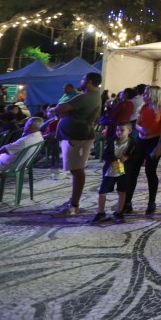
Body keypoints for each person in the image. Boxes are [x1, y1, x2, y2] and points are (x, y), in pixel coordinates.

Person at [49, 72, 103, 217]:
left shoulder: (85, 97)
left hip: (78, 137)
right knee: (76, 170)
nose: (81, 80)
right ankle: (74, 201)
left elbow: (60, 109)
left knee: (77, 170)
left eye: (83, 78)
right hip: (77, 135)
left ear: (90, 81)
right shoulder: (92, 95)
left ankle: (74, 205)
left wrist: (61, 109)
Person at [0, 117, 44, 196]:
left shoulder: (25, 140)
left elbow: (1, 150)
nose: (24, 126)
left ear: (29, 127)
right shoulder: (39, 136)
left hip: (6, 165)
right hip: (19, 164)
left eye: (26, 124)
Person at [91, 122, 137, 224]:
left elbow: (136, 156)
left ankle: (119, 212)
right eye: (117, 130)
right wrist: (113, 160)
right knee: (102, 192)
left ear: (129, 131)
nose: (119, 132)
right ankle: (100, 212)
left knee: (122, 191)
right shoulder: (112, 141)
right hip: (110, 170)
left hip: (124, 171)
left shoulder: (132, 143)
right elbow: (105, 155)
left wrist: (128, 158)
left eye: (122, 130)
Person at [135, 85, 161, 215]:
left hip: (154, 141)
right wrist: (141, 129)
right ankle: (127, 202)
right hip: (141, 141)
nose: (144, 95)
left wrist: (159, 146)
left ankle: (151, 202)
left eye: (146, 93)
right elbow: (137, 124)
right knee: (133, 170)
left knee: (150, 170)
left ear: (153, 94)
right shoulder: (144, 107)